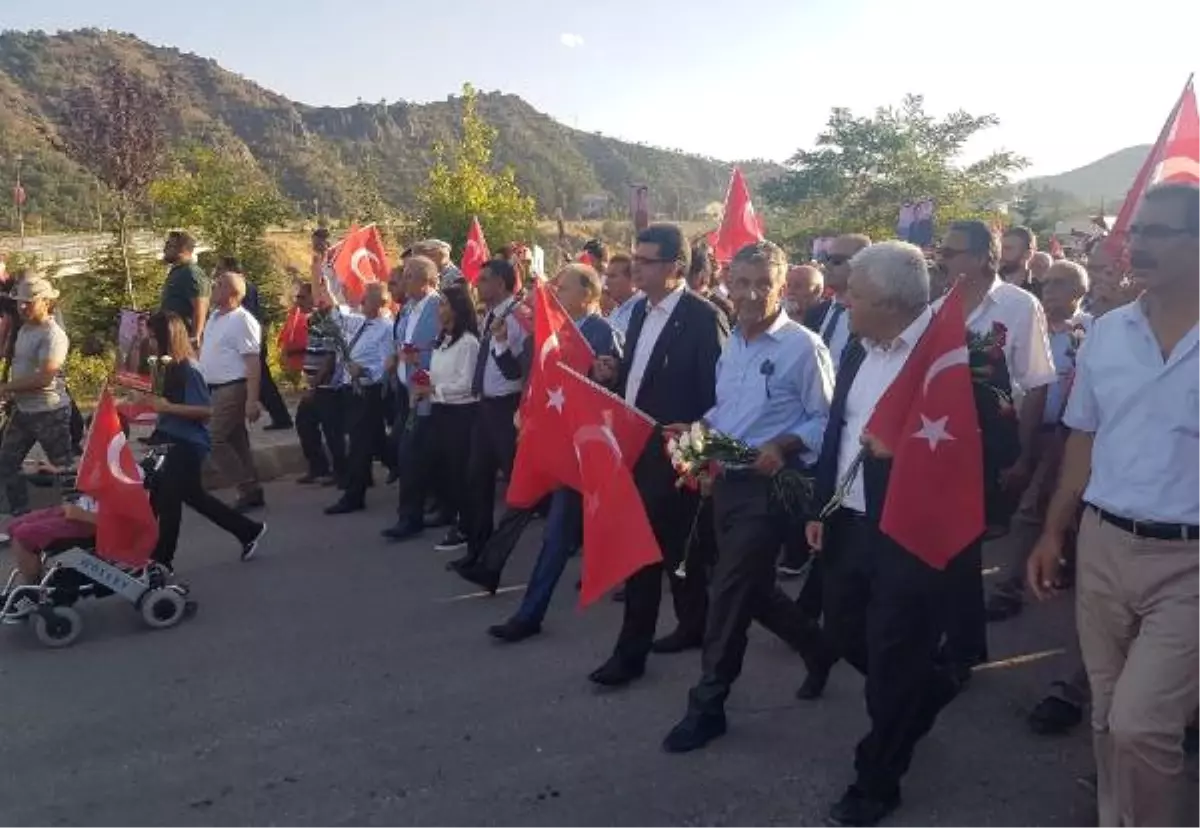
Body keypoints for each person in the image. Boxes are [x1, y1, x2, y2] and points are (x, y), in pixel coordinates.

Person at [1028, 182, 1200, 828]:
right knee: (1105, 715)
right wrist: (1053, 531)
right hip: (1102, 545)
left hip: (1189, 564)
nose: (1139, 244)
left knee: (1141, 725)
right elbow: (1083, 435)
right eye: (1138, 232)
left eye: (1160, 232)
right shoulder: (1107, 333)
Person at [805, 241, 962, 826]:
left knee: (893, 657)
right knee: (845, 633)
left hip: (911, 530)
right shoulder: (857, 348)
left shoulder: (950, 356)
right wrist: (822, 507)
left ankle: (877, 779)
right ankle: (927, 688)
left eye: (854, 296)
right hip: (849, 519)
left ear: (889, 302)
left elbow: (987, 451)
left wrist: (905, 455)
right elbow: (838, 432)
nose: (842, 302)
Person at [660, 240, 835, 753]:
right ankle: (818, 646)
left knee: (729, 593)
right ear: (728, 285)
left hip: (771, 491)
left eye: (764, 283)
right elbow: (727, 409)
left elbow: (827, 418)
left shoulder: (804, 347)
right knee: (751, 588)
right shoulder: (733, 341)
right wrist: (697, 433)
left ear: (782, 287)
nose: (752, 293)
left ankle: (707, 704)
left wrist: (784, 443)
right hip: (728, 482)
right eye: (743, 283)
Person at [588, 223, 728, 688]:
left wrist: (702, 452)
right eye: (636, 258)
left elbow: (718, 395)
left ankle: (631, 654)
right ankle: (692, 625)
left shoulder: (702, 318)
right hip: (638, 448)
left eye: (647, 261)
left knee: (652, 553)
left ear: (677, 267)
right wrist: (614, 375)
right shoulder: (639, 314)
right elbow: (641, 377)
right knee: (671, 550)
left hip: (678, 452)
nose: (636, 268)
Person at [938, 220, 1056, 679]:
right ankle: (958, 641)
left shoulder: (1019, 306)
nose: (944, 260)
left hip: (994, 446)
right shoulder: (940, 304)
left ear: (986, 257)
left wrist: (1022, 457)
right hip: (946, 442)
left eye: (954, 252)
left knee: (965, 549)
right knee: (949, 547)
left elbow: (1038, 383)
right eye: (942, 252)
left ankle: (963, 650)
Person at [467, 263, 621, 615]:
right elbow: (525, 372)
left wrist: (605, 375)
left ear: (587, 294)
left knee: (562, 528)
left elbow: (610, 383)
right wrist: (505, 346)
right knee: (523, 501)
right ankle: (495, 574)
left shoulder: (600, 331)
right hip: (545, 434)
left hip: (579, 443)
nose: (555, 293)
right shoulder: (551, 329)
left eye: (563, 288)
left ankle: (532, 610)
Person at [138, 312, 266, 570]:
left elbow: (206, 411)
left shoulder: (189, 369)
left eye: (153, 336)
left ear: (166, 337)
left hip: (186, 443)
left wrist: (169, 408)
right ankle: (247, 531)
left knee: (169, 500)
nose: (149, 341)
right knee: (188, 496)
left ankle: (162, 561)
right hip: (166, 438)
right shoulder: (164, 367)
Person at [445, 259, 529, 570]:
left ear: (502, 285)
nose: (477, 285)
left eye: (484, 280)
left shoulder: (517, 318)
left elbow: (518, 372)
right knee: (476, 479)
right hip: (485, 408)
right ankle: (478, 552)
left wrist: (503, 341)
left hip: (507, 409)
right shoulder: (491, 316)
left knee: (519, 487)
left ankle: (562, 534)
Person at [407, 284, 479, 548]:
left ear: (458, 309)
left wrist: (434, 389)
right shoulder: (442, 341)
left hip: (460, 414)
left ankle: (467, 527)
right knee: (445, 470)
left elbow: (468, 384)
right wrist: (420, 375)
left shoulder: (469, 343)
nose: (440, 309)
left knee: (461, 472)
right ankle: (453, 516)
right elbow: (440, 375)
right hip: (440, 409)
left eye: (445, 304)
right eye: (440, 304)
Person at [381, 257, 448, 541]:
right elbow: (403, 342)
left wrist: (419, 363)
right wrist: (397, 358)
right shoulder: (407, 308)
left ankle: (412, 517)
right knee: (412, 453)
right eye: (404, 276)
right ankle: (428, 509)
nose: (404, 281)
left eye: (410, 276)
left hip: (430, 395)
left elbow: (444, 349)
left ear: (428, 281)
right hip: (408, 393)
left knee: (412, 454)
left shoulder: (438, 308)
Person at [0, 276, 73, 517]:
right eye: (20, 302)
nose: (22, 307)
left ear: (45, 302)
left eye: (28, 302)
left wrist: (7, 388)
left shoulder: (53, 335)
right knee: (6, 462)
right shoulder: (25, 329)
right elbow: (22, 367)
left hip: (49, 411)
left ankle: (75, 516)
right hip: (24, 410)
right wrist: (12, 395)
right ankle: (20, 515)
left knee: (63, 469)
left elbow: (44, 378)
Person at [197, 268, 266, 512]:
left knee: (213, 439)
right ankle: (252, 490)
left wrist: (252, 400)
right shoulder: (215, 317)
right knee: (236, 440)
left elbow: (252, 362)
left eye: (218, 284)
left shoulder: (242, 320)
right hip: (215, 388)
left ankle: (245, 485)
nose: (213, 287)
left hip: (233, 387)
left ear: (233, 292)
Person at [325, 282, 394, 515]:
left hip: (367, 391)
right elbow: (334, 311)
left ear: (381, 303)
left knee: (359, 443)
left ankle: (354, 495)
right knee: (376, 441)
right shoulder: (361, 322)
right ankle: (408, 472)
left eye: (367, 299)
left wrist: (364, 371)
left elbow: (387, 365)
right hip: (350, 389)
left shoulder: (386, 328)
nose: (362, 302)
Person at [1, 495, 98, 621]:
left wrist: (77, 512)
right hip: (81, 505)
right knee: (13, 526)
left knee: (23, 534)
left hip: (90, 521)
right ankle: (33, 588)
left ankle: (33, 593)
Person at [233, 257, 292, 431]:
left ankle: (281, 417)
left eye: (221, 269)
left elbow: (247, 315)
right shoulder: (247, 287)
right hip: (254, 339)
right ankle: (281, 417)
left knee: (262, 382)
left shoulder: (244, 289)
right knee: (263, 382)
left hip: (252, 340)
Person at [807, 234, 869, 369]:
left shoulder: (872, 319)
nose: (827, 266)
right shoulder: (814, 314)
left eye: (837, 261)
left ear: (863, 264)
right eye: (826, 259)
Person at [159, 231, 210, 343]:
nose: (164, 250)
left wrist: (196, 336)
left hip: (184, 339)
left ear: (182, 249)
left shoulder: (191, 272)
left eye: (169, 245)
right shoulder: (177, 271)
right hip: (171, 336)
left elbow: (201, 305)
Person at [603, 253, 642, 337]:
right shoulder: (616, 311)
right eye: (607, 276)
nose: (606, 282)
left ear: (632, 279)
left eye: (612, 276)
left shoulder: (641, 311)